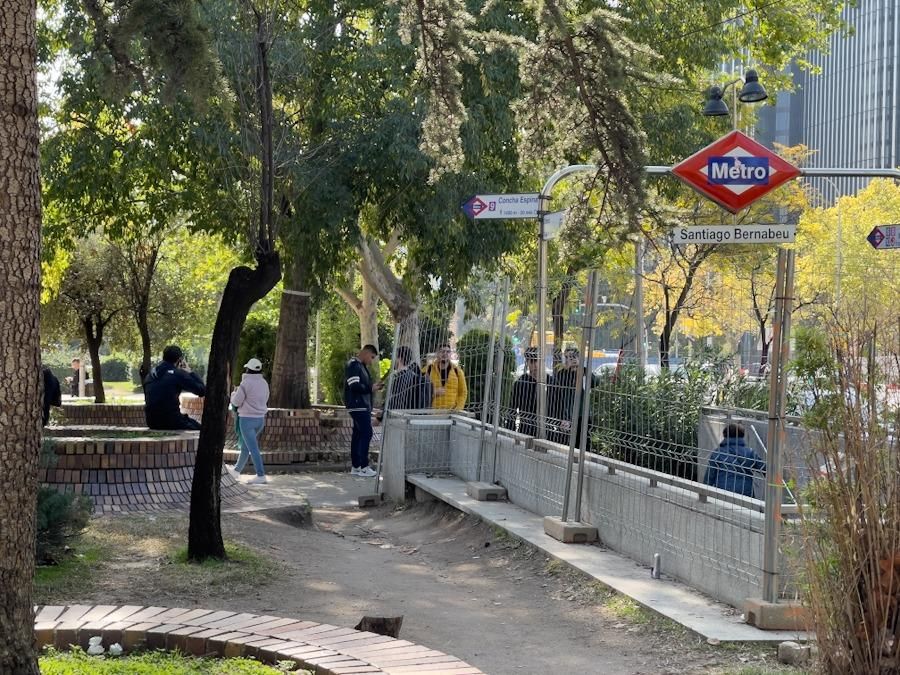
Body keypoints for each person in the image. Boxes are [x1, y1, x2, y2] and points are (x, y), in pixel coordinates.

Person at [226, 358, 269, 485]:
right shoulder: (264, 383)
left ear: (247, 369)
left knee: (253, 448)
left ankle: (261, 475)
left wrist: (234, 393)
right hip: (260, 420)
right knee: (246, 446)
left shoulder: (245, 384)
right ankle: (237, 470)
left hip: (247, 420)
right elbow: (265, 398)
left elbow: (236, 402)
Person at [143, 345, 206, 430]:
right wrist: (190, 372)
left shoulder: (150, 375)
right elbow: (202, 390)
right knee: (202, 430)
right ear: (179, 360)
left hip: (151, 422)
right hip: (171, 421)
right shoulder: (177, 374)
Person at [345, 344, 382, 477]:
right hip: (358, 405)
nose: (371, 361)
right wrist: (370, 388)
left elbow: (361, 385)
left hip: (360, 405)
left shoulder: (360, 366)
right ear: (366, 353)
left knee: (358, 434)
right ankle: (363, 466)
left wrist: (372, 386)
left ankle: (356, 466)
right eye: (371, 357)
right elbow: (354, 385)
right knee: (367, 433)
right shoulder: (354, 365)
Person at [550, 346, 597, 449]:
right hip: (567, 417)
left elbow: (596, 383)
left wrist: (582, 369)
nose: (571, 359)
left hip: (583, 416)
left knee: (584, 446)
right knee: (568, 446)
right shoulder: (561, 375)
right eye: (568, 357)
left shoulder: (584, 372)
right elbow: (556, 397)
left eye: (573, 356)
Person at [704, 423, 766, 498]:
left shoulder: (718, 453)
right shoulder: (750, 452)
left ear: (725, 435)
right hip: (745, 494)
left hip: (723, 493)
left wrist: (704, 494)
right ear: (742, 436)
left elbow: (709, 476)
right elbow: (765, 469)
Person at [506, 347, 550, 437]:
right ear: (527, 363)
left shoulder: (552, 382)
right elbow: (512, 409)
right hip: (526, 431)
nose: (536, 365)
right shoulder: (520, 383)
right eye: (532, 362)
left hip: (549, 432)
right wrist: (509, 433)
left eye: (538, 361)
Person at [385, 345, 432, 412]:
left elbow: (395, 401)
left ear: (399, 359)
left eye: (395, 357)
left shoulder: (399, 378)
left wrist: (380, 416)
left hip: (398, 415)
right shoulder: (413, 375)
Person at [424, 344, 467, 410]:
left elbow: (463, 392)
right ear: (437, 353)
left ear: (450, 354)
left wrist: (458, 409)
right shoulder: (428, 369)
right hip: (431, 412)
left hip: (451, 413)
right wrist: (433, 392)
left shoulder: (457, 371)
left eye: (448, 352)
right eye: (442, 351)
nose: (445, 354)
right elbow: (419, 389)